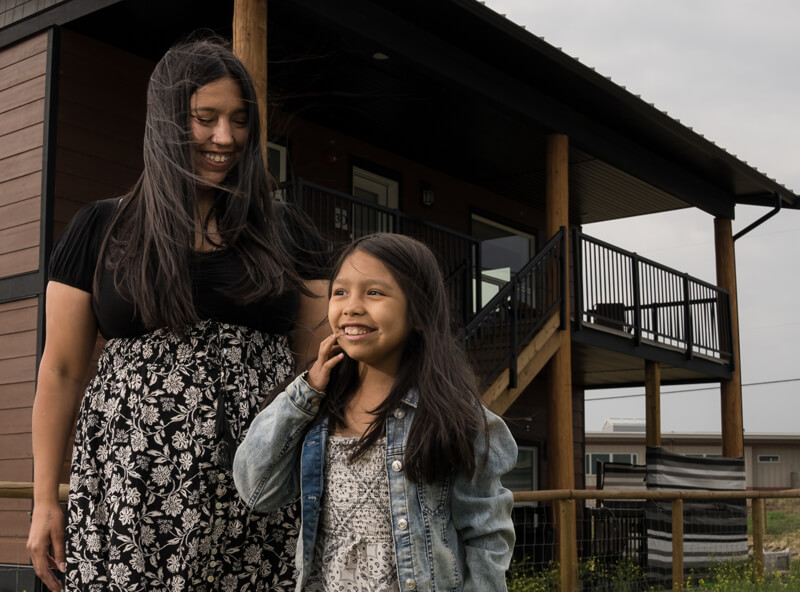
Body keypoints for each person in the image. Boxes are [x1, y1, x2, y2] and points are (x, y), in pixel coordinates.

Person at [26, 37, 329, 592]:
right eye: (205, 118)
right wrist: (46, 500)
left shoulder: (289, 232)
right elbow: (62, 371)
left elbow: (322, 360)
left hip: (259, 494)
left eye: (239, 120)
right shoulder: (100, 228)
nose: (225, 137)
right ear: (166, 121)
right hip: (130, 495)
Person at [234, 233, 518, 592]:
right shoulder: (316, 412)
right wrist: (304, 393)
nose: (351, 306)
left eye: (374, 292)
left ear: (417, 313)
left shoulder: (452, 419)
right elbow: (256, 490)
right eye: (340, 292)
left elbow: (487, 534)